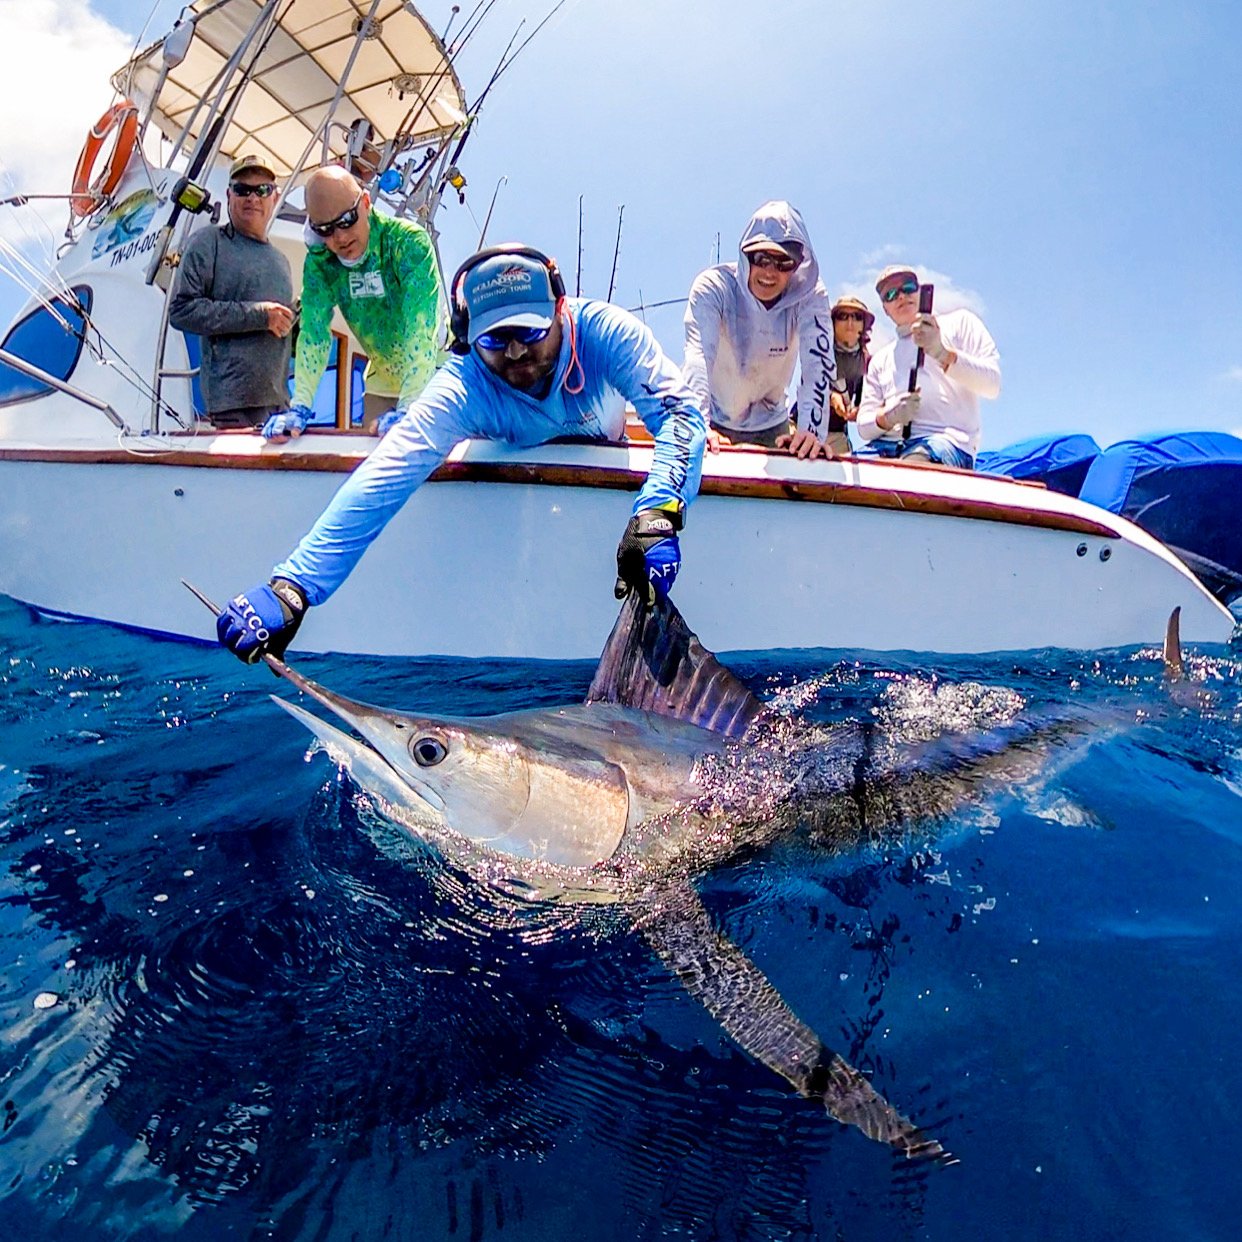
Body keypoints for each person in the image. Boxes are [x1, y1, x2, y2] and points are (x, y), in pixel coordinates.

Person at [216, 245, 707, 662]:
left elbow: (681, 416)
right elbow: (387, 473)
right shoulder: (462, 383)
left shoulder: (607, 333)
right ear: (468, 336)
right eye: (494, 339)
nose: (514, 354)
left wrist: (658, 512)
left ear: (561, 311)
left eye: (529, 333)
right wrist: (293, 587)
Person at [261, 165, 446, 441]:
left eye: (347, 220)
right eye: (325, 229)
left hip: (433, 372)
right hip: (380, 381)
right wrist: (300, 404)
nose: (340, 238)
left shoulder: (408, 242)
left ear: (366, 204)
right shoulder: (321, 261)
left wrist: (410, 407)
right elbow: (314, 334)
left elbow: (420, 330)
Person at [682, 201, 836, 460]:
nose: (769, 273)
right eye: (762, 259)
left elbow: (817, 365)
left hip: (774, 427)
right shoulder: (712, 287)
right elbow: (698, 356)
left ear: (798, 266)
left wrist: (811, 432)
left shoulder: (811, 295)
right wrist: (696, 422)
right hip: (713, 422)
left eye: (784, 263)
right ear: (746, 256)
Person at [167, 154, 294, 430]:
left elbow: (281, 333)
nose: (253, 197)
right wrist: (259, 315)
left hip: (280, 406)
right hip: (231, 409)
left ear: (275, 197)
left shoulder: (281, 260)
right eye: (242, 189)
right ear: (229, 195)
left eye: (262, 190)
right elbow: (180, 311)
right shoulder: (208, 241)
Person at [856, 265, 1001, 469]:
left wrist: (943, 353)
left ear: (920, 291)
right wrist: (889, 417)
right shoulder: (880, 360)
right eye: (890, 294)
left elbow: (992, 385)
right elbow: (864, 426)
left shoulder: (961, 322)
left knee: (911, 468)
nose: (901, 296)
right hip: (887, 446)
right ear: (885, 310)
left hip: (944, 443)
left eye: (907, 287)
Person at [825, 295, 875, 455]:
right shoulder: (820, 350)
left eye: (857, 317)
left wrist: (858, 410)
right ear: (833, 323)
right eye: (842, 317)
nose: (850, 323)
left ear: (863, 325)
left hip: (836, 434)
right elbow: (809, 384)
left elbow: (866, 400)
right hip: (801, 426)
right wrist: (831, 397)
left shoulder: (869, 362)